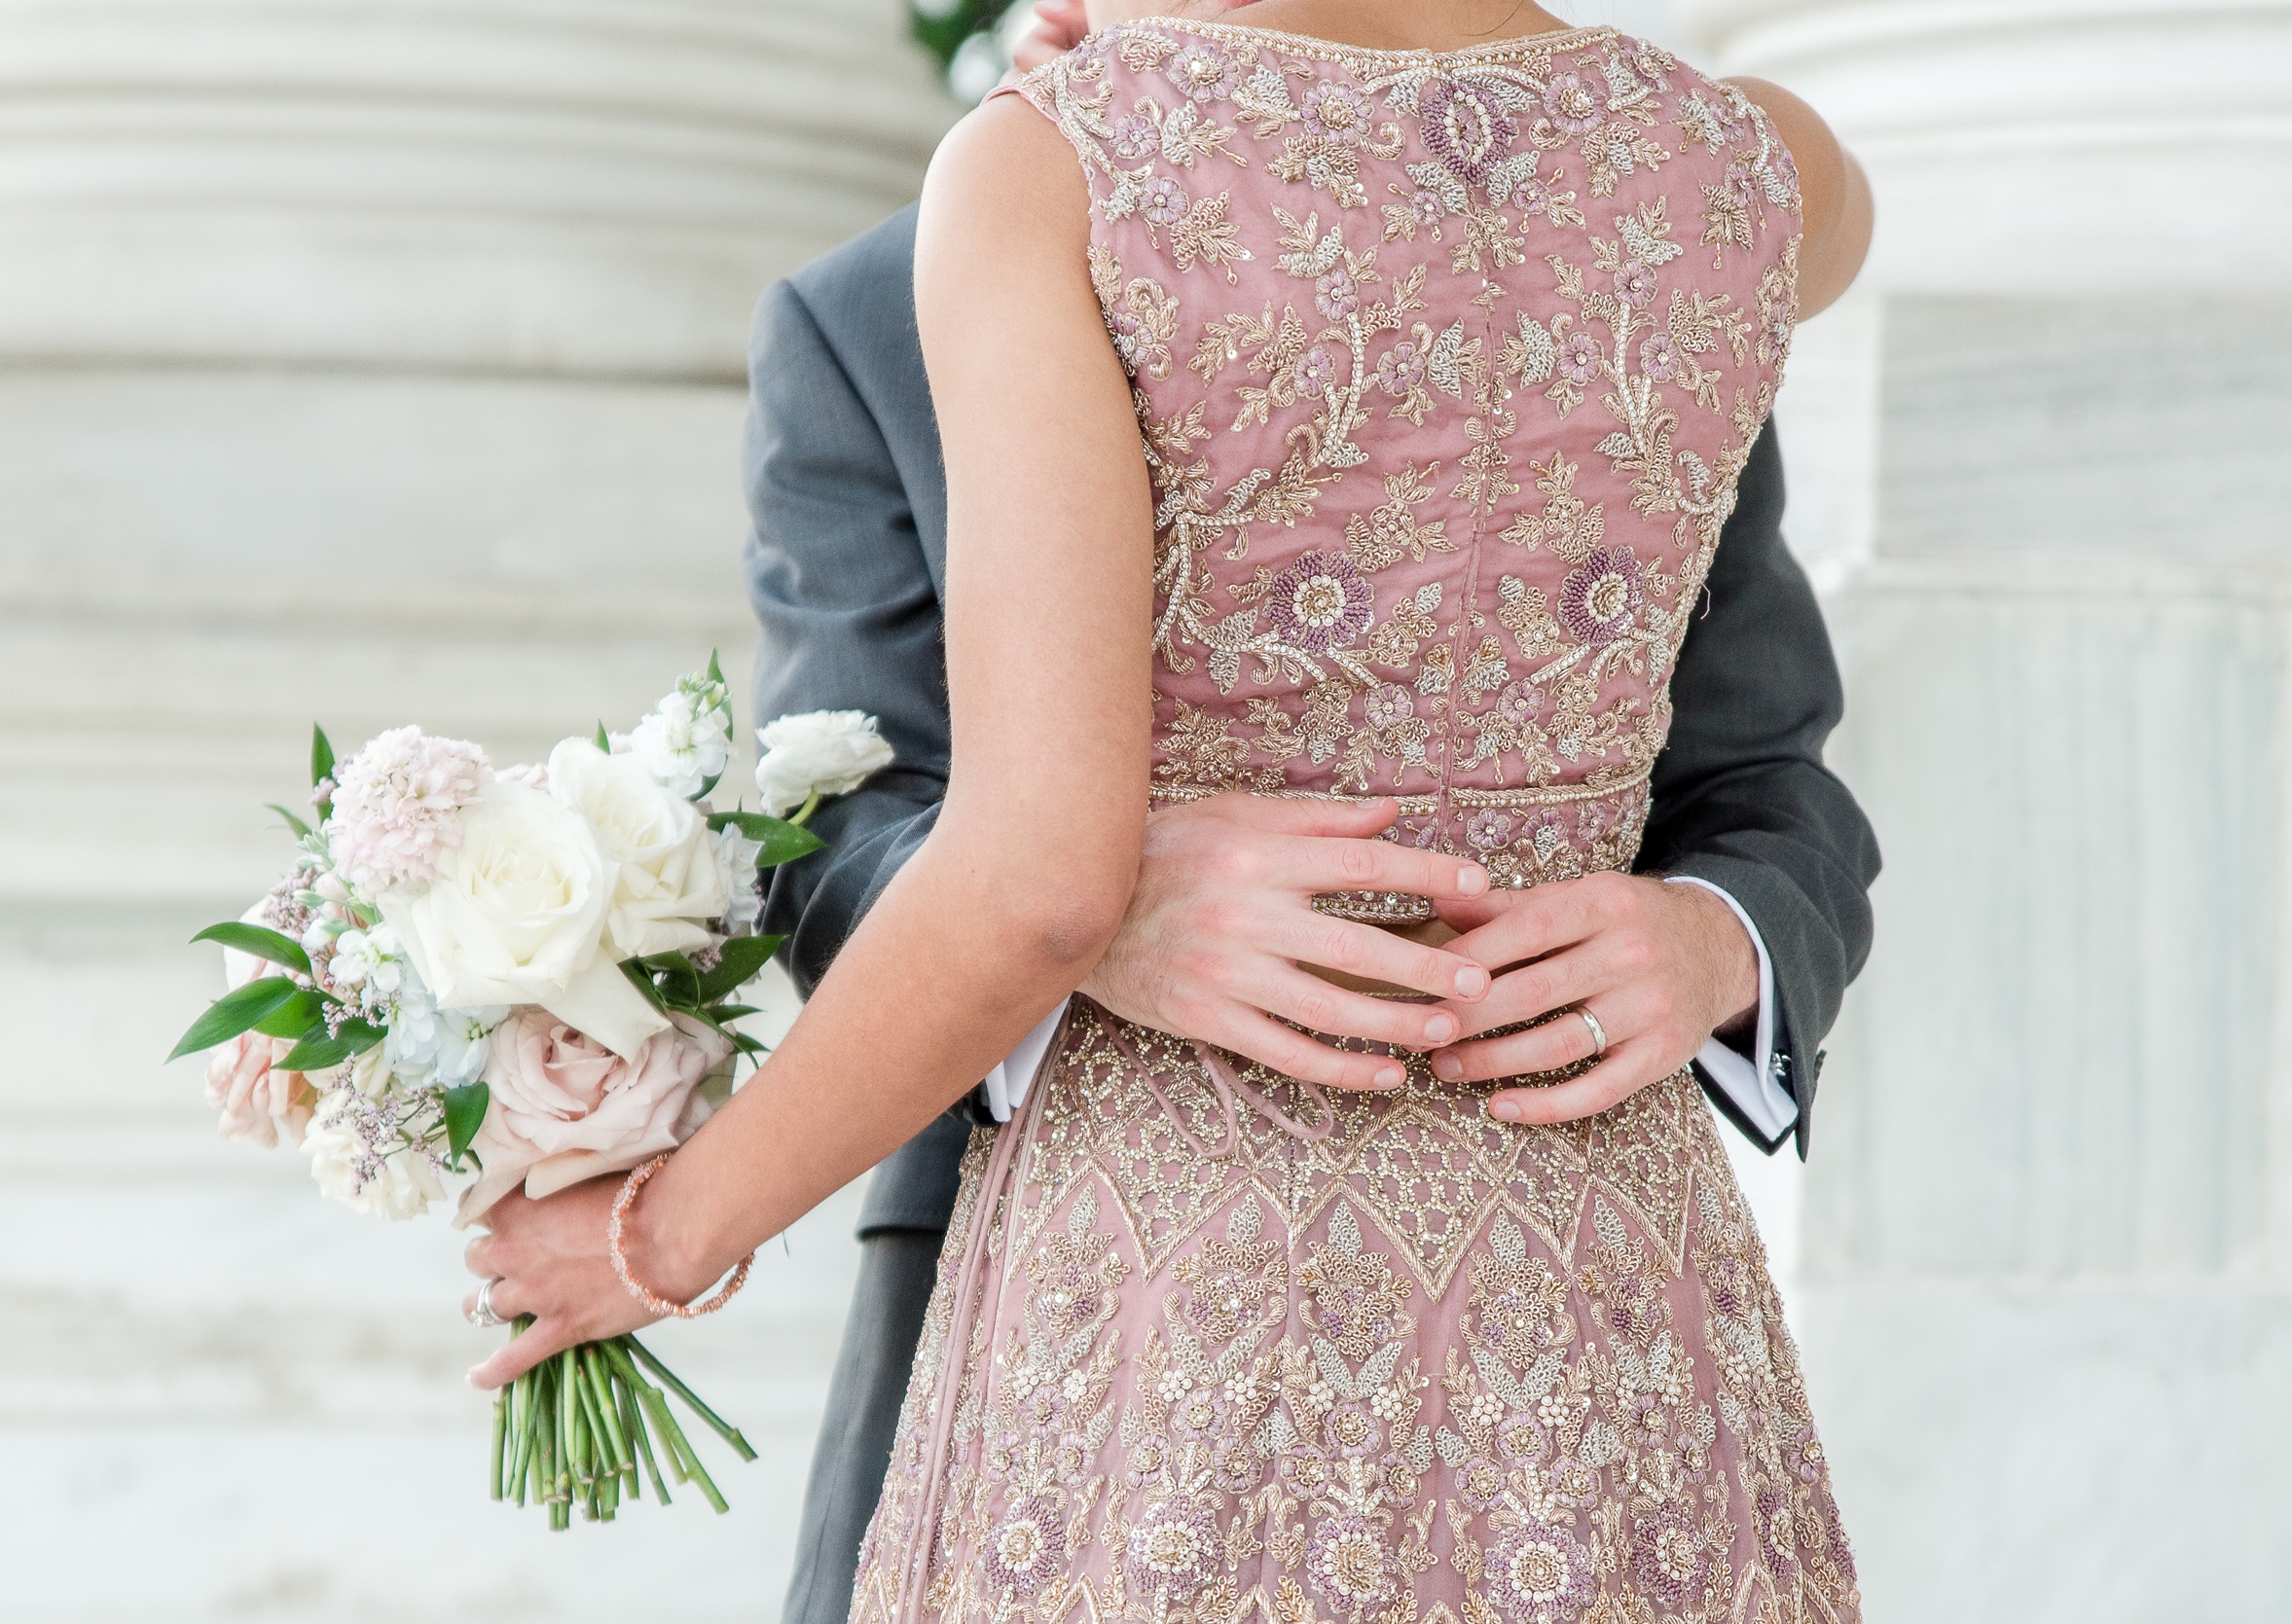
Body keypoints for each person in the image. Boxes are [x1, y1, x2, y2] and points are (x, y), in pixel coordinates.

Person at [465, 1, 1876, 1617]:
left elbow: (1038, 883)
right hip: (1600, 1261)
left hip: (1181, 1270)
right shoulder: (1749, 165)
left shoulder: (1052, 175)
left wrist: (657, 1235)